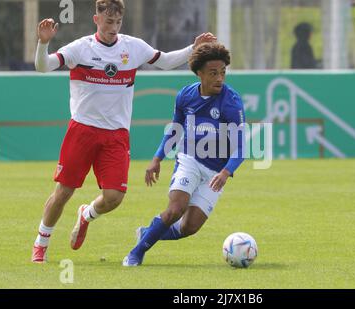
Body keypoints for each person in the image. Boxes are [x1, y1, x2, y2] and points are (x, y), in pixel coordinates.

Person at [31, 0, 216, 263]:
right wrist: (43, 43)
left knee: (114, 197)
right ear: (96, 20)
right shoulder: (81, 48)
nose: (113, 28)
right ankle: (41, 243)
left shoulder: (132, 47)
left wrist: (193, 47)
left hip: (116, 135)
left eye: (117, 23)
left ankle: (86, 215)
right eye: (108, 22)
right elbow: (43, 66)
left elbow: (164, 61)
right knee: (63, 192)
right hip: (82, 131)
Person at [122, 42, 246, 267]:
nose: (220, 78)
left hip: (216, 171)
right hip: (189, 159)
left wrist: (226, 172)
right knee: (175, 210)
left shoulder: (232, 102)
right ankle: (136, 253)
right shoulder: (186, 96)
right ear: (199, 73)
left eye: (223, 72)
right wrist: (158, 158)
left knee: (189, 227)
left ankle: (148, 233)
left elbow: (241, 147)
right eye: (213, 73)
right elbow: (175, 129)